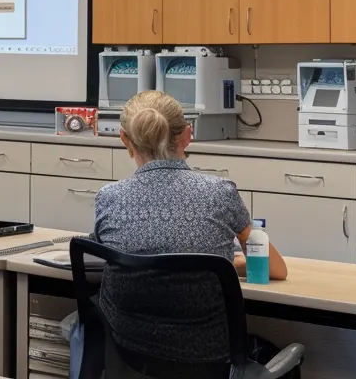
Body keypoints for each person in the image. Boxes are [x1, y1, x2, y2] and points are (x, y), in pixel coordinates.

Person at [68, 90, 288, 376]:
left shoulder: (110, 197)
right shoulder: (220, 193)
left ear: (125, 140)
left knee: (73, 323)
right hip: (208, 359)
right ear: (187, 135)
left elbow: (129, 253)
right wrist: (222, 261)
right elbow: (275, 268)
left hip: (128, 355)